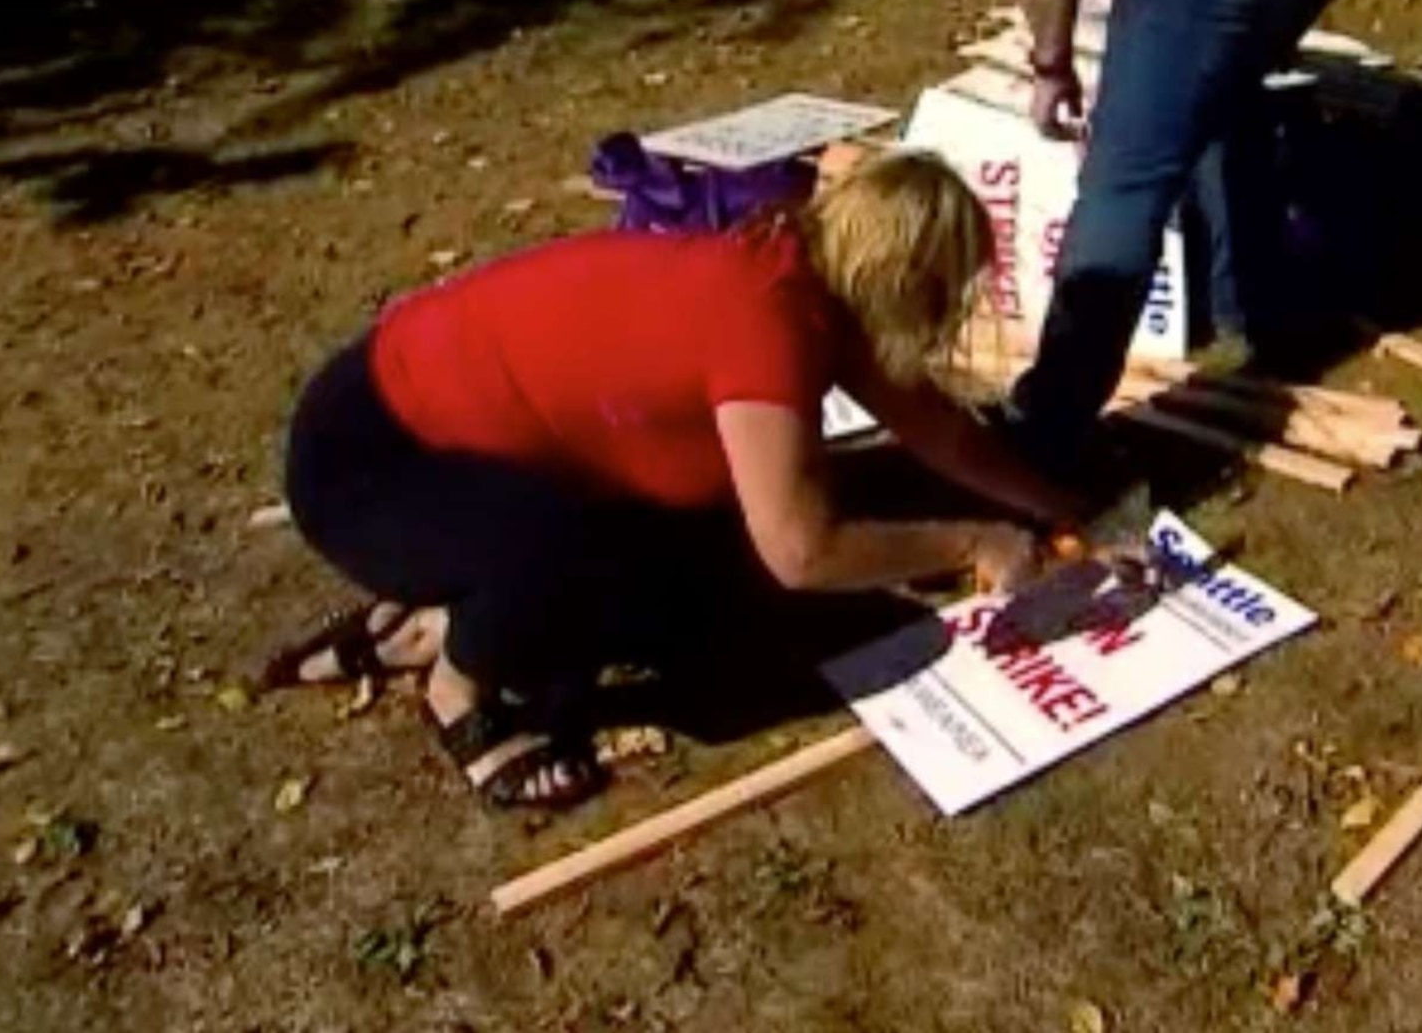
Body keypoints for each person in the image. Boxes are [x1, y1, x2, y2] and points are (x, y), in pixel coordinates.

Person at [261, 152, 1099, 810]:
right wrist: (975, 538)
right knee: (584, 560)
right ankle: (460, 683)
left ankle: (430, 614)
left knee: (680, 577)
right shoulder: (767, 323)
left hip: (427, 439)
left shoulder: (808, 266)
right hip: (369, 463)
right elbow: (802, 552)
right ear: (901, 279)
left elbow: (937, 429)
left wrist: (1050, 504)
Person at [859, 0, 1382, 469]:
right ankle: (1263, 314)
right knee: (1219, 91)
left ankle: (1048, 427)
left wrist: (1050, 65)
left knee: (1124, 175)